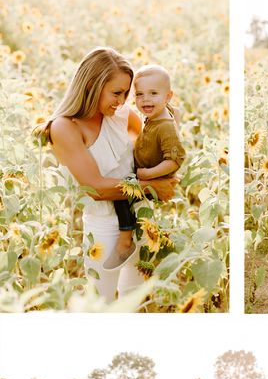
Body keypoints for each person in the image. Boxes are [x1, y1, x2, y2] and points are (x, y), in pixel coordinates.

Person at [35, 47, 176, 303]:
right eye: (116, 93)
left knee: (134, 299)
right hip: (104, 229)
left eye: (125, 93)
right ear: (91, 85)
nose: (122, 101)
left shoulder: (122, 116)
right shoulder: (65, 127)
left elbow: (152, 142)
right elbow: (96, 187)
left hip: (140, 218)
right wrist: (152, 186)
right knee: (101, 304)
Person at [104, 64, 185, 270]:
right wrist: (176, 115)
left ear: (168, 96)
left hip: (154, 178)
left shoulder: (165, 126)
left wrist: (148, 174)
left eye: (153, 93)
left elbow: (175, 160)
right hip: (145, 171)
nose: (145, 100)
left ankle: (125, 236)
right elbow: (175, 113)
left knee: (119, 192)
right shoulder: (159, 115)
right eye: (139, 94)